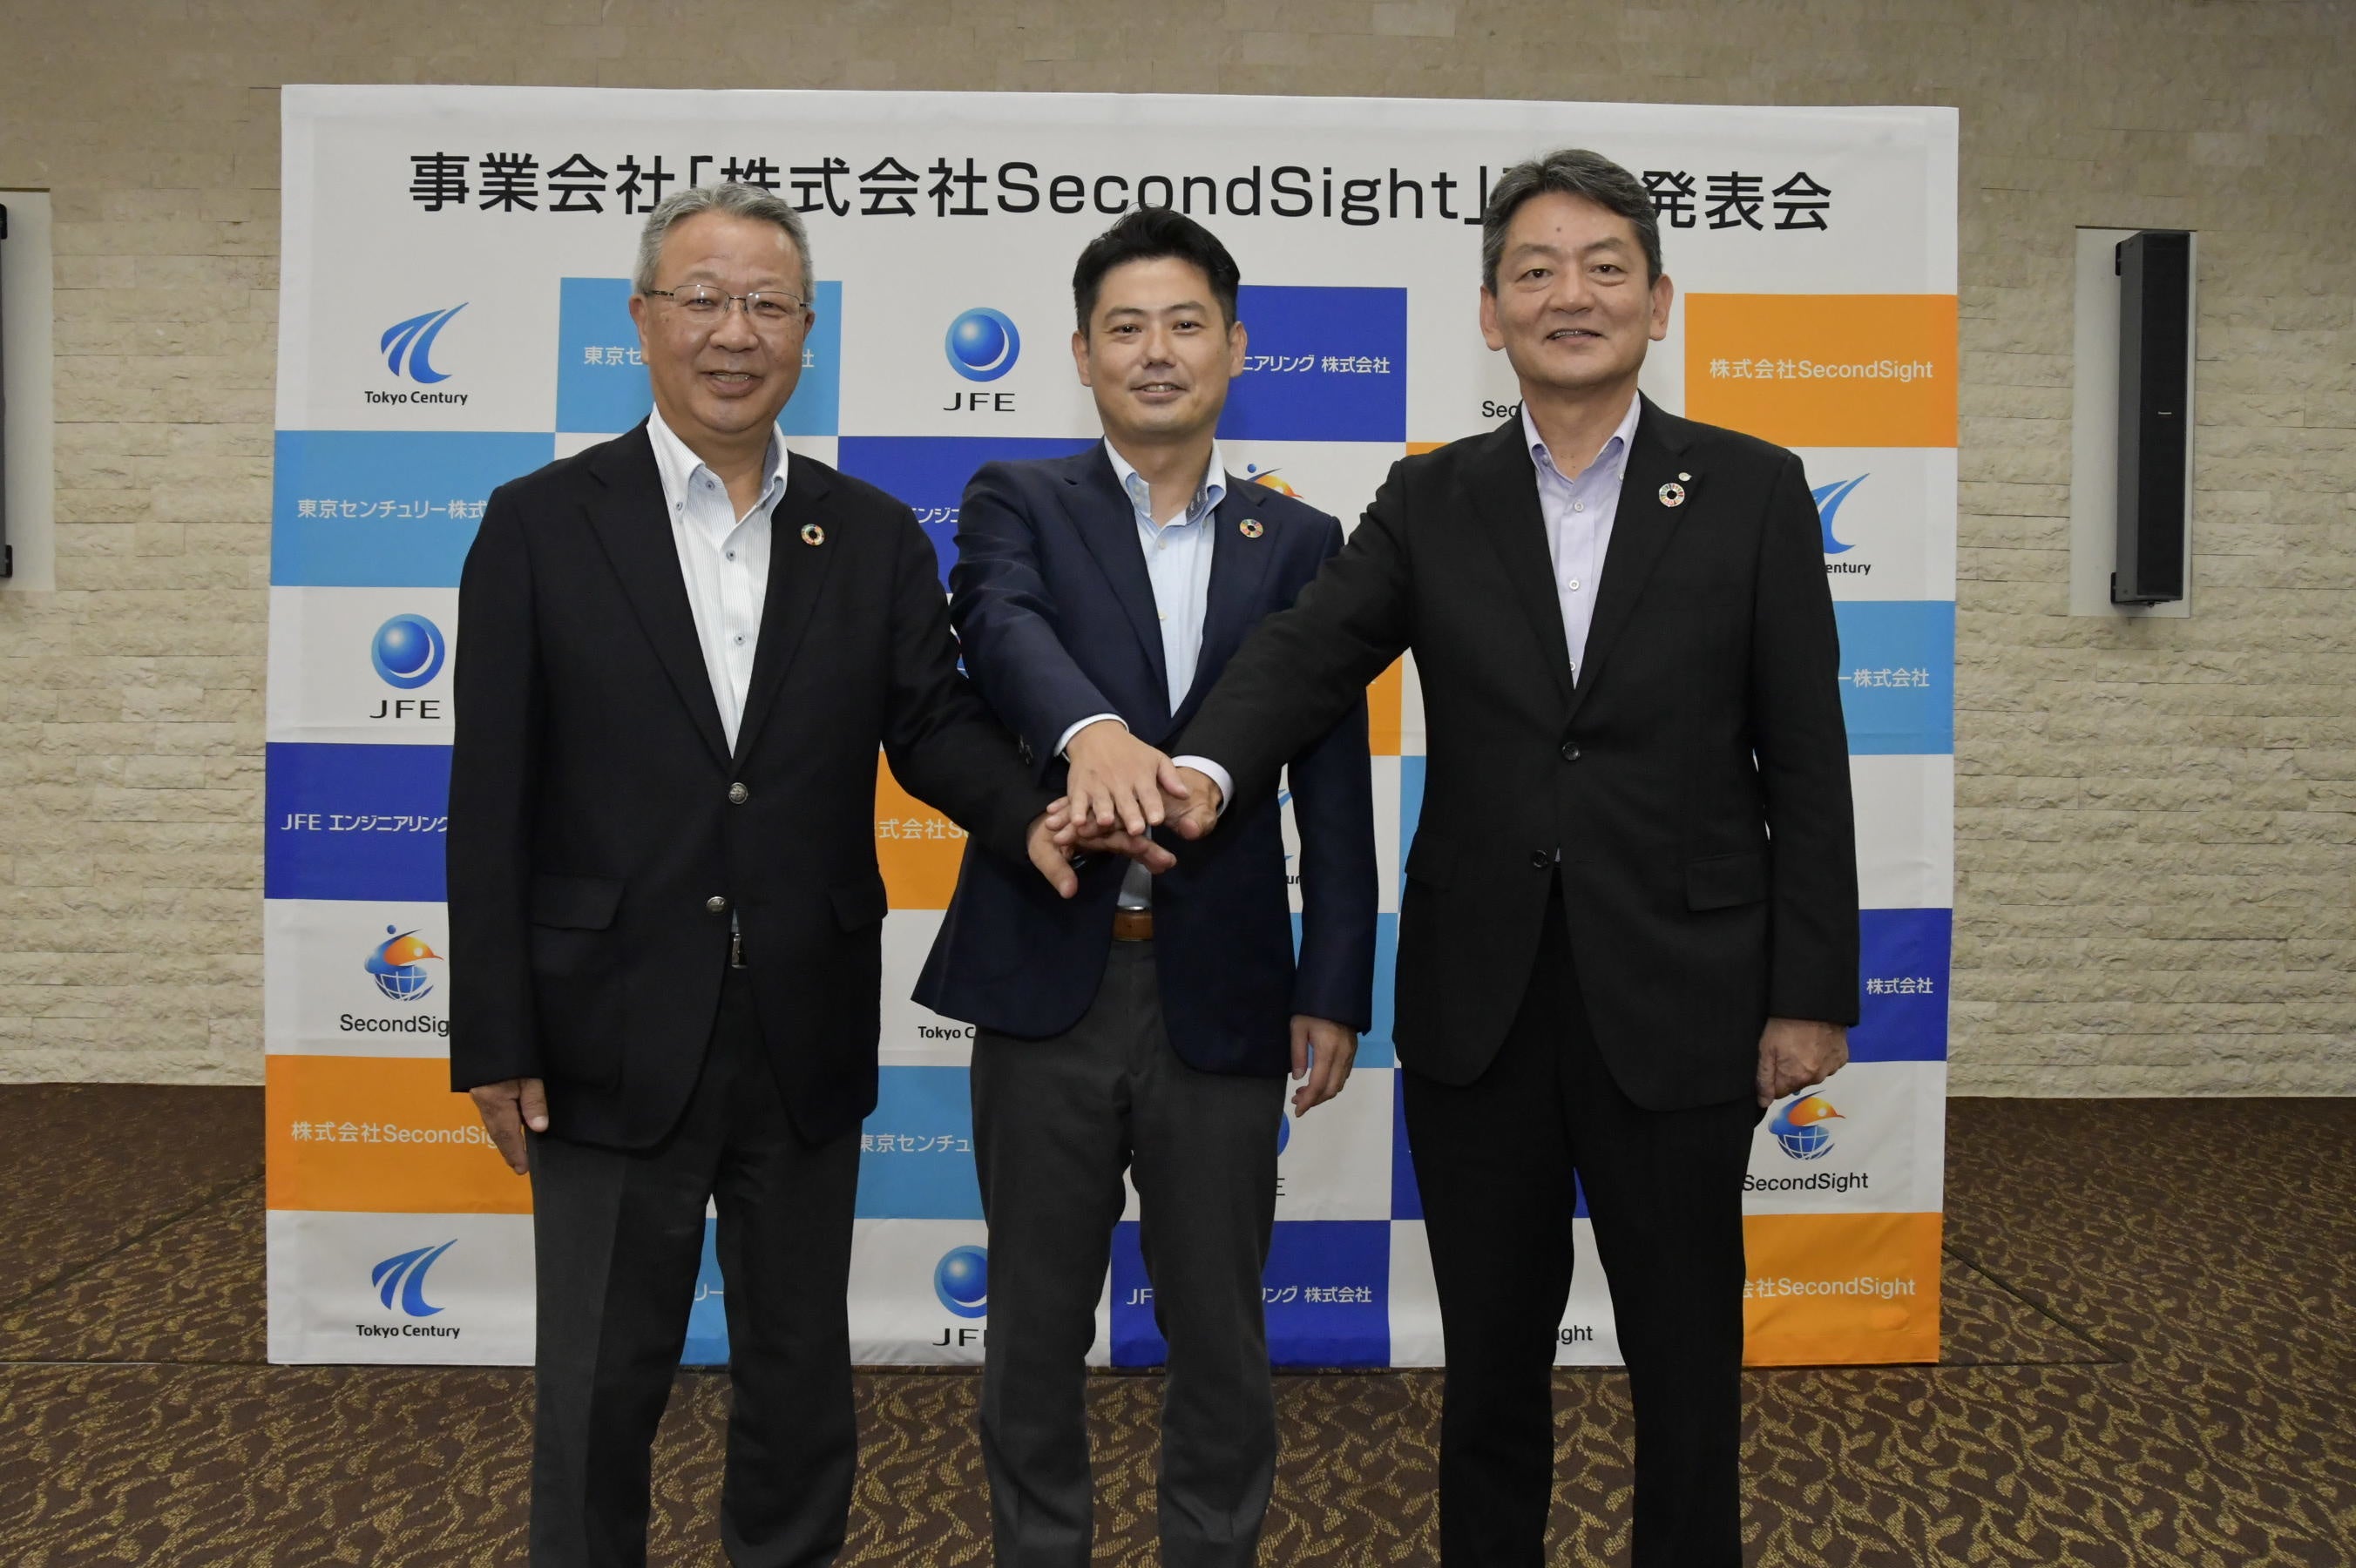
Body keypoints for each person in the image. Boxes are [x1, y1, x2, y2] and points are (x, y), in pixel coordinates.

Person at [1133, 150, 1860, 1567]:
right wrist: (1204, 769)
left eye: (1603, 268)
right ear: (1490, 312)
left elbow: (1808, 759)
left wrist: (1809, 991)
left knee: (1687, 1370)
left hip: (1688, 997)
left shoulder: (1755, 488)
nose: (1568, 295)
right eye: (1534, 270)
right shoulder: (1433, 498)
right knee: (1490, 1377)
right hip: (1485, 1007)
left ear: (1658, 301)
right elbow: (1309, 654)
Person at [445, 181, 1153, 1568]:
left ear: (807, 332)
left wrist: (1031, 818)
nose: (735, 333)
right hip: (600, 1028)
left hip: (802, 1022)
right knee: (598, 1383)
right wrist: (494, 1034)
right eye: (704, 300)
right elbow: (489, 802)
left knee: (797, 1381)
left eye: (768, 305)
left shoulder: (869, 532)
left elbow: (933, 724)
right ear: (641, 319)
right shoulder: (538, 523)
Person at [915, 207, 1378, 1568]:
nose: (1156, 351)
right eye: (1125, 327)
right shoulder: (1018, 498)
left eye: (1186, 324)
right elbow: (997, 625)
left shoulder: (1303, 541)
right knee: (1032, 1329)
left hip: (1225, 994)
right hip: (1048, 978)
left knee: (1222, 1331)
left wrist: (1333, 982)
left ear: (1235, 348)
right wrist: (1092, 735)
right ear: (1081, 353)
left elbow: (1330, 773)